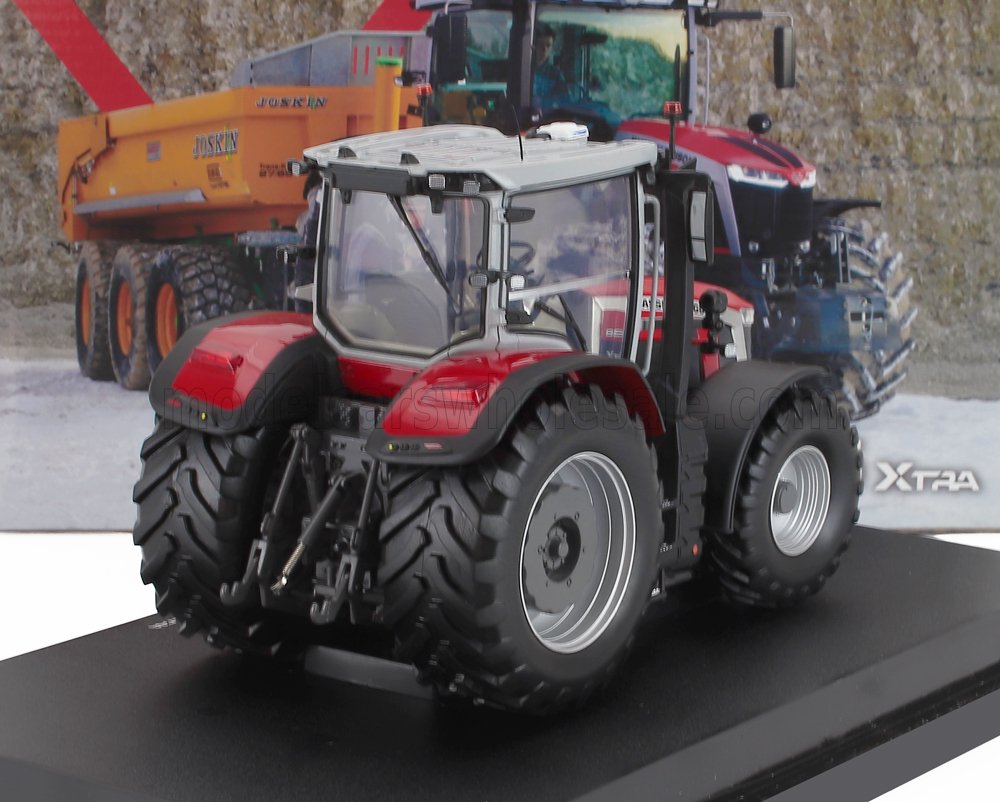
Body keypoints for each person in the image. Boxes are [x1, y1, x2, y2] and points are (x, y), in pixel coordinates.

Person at [531, 24, 565, 108]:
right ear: (533, 46)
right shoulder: (521, 70)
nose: (544, 49)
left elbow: (563, 101)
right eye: (541, 44)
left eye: (548, 45)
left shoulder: (555, 75)